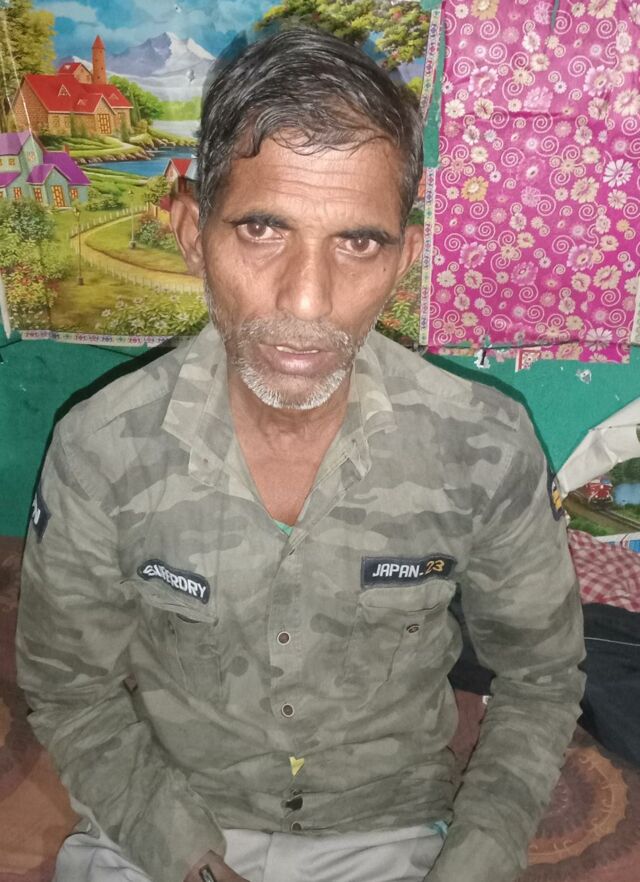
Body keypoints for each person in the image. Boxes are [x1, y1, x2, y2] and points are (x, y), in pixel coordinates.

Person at [16, 26, 585, 882]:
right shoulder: (100, 449)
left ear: (404, 260)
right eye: (261, 229)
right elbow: (68, 686)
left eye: (357, 242)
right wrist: (186, 857)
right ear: (191, 232)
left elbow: (541, 677)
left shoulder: (484, 446)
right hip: (168, 823)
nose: (308, 301)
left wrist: (477, 858)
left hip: (390, 830)